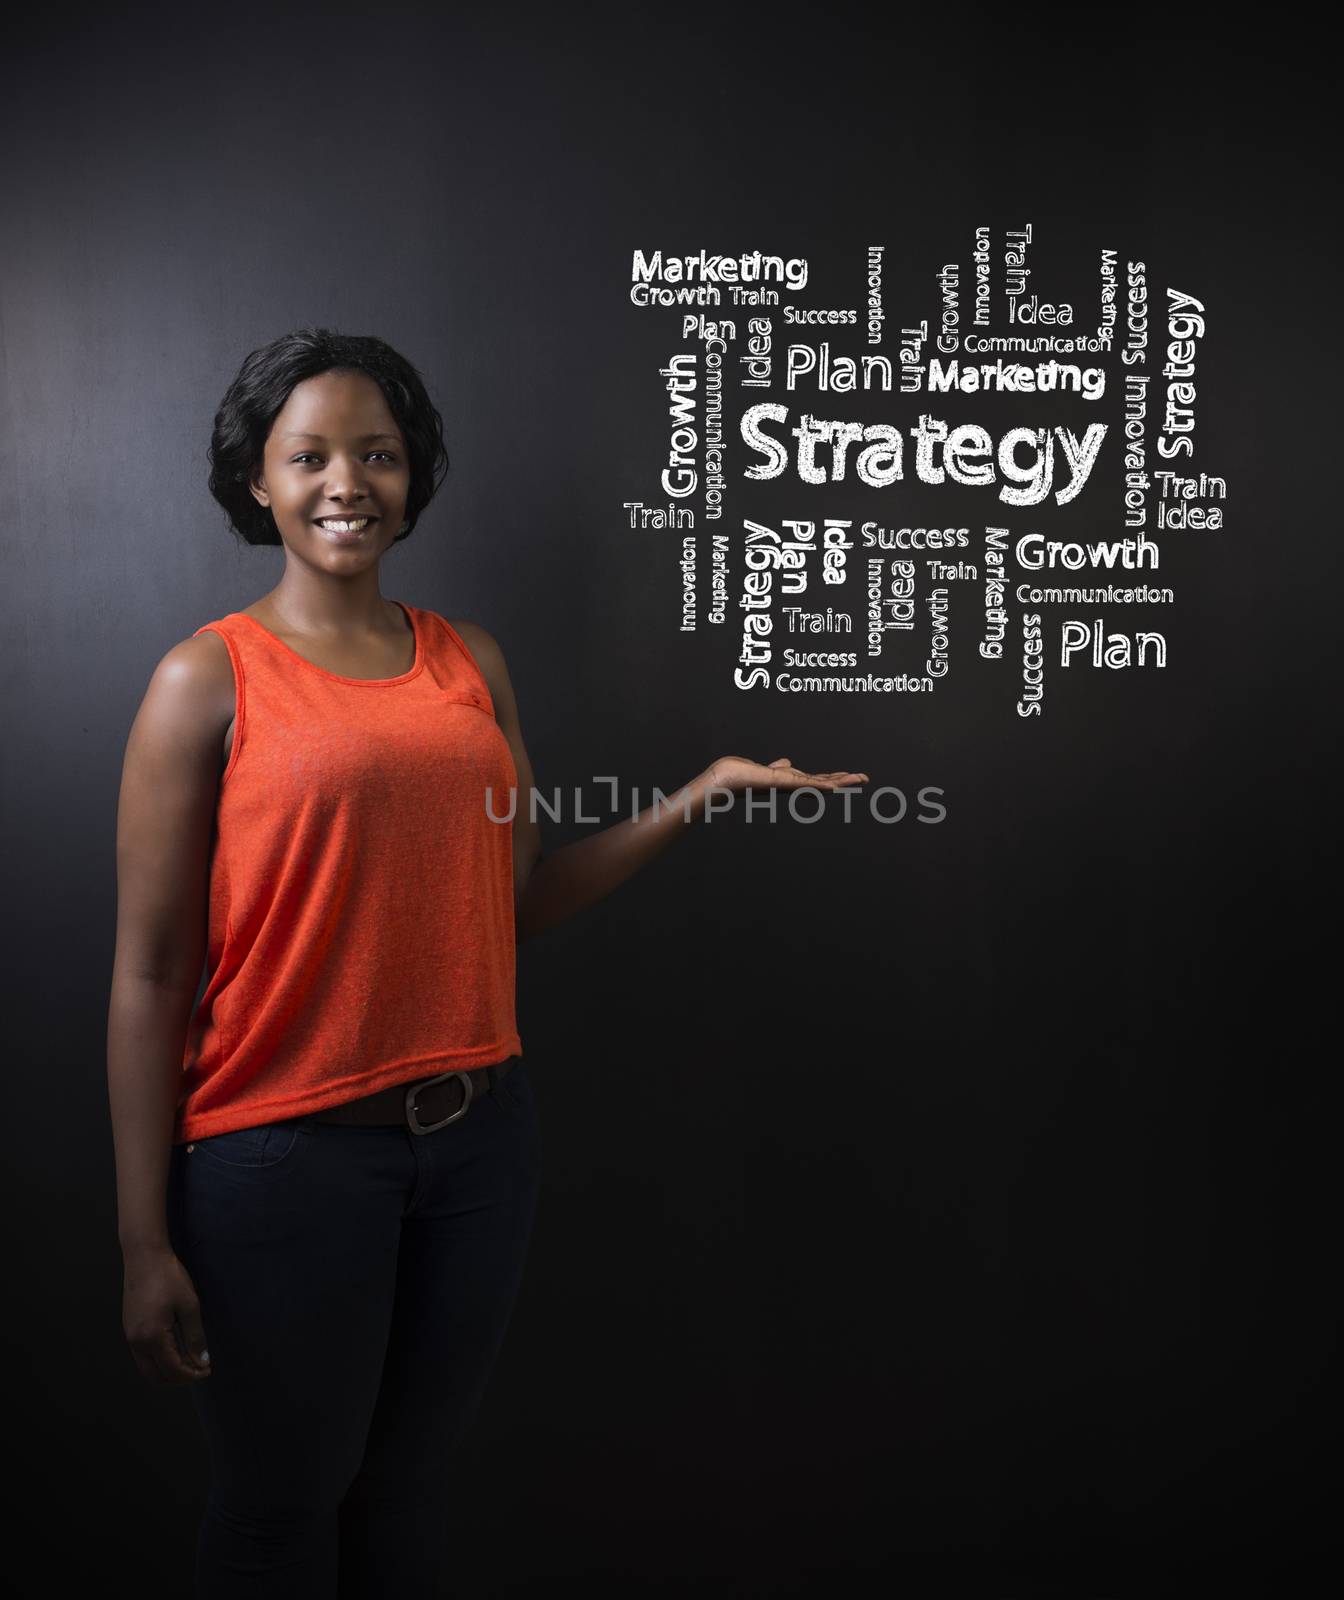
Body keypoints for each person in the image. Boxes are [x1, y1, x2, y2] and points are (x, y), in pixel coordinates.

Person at [107, 328, 867, 1598]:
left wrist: (700, 794)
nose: (346, 481)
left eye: (378, 454)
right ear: (258, 479)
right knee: (278, 1511)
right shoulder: (206, 679)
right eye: (310, 456)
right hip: (285, 1157)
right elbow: (146, 976)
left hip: (477, 1146)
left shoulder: (471, 661)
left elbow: (508, 906)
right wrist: (142, 1239)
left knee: (404, 1500)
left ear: (412, 477)